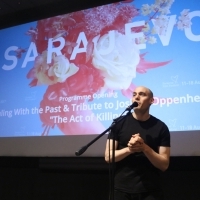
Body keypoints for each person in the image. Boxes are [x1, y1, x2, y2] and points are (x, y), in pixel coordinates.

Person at [105, 86, 170, 200]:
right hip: (121, 189)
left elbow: (164, 165)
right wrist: (130, 149)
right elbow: (108, 157)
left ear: (151, 101)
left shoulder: (161, 127)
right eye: (134, 94)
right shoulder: (119, 124)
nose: (136, 97)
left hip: (150, 190)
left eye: (142, 94)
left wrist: (144, 148)